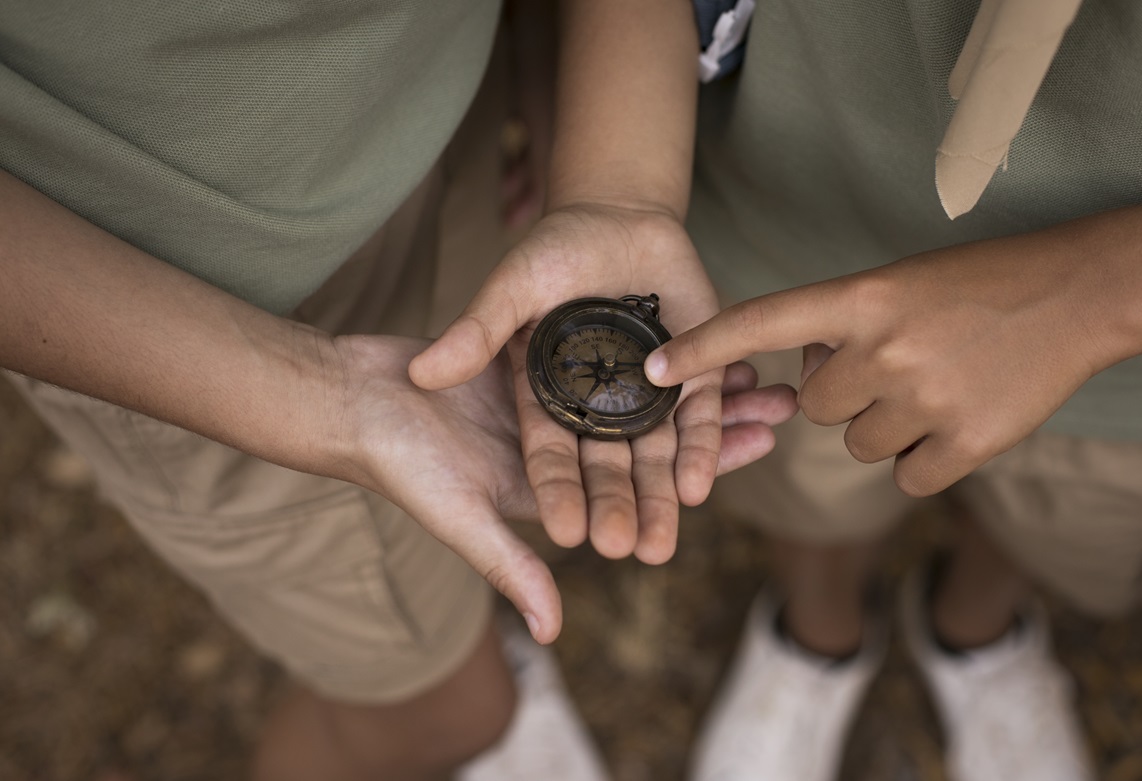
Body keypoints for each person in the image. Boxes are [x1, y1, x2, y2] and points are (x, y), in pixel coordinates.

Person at [0, 2, 796, 780]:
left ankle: (471, 633)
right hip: (188, 314)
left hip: (460, 119)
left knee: (512, 479)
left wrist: (601, 154)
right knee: (443, 709)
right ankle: (466, 675)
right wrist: (321, 398)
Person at [413, 1, 1142, 780]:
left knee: (1063, 518)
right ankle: (819, 633)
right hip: (787, 265)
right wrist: (617, 189)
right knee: (812, 489)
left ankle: (981, 627)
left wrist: (1100, 299)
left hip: (1137, 358)